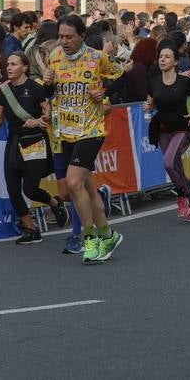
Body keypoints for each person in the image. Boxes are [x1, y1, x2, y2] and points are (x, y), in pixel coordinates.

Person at [44, 14, 124, 264]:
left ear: (81, 36)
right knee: (88, 190)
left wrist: (105, 91)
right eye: (61, 36)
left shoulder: (97, 58)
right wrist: (47, 84)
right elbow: (50, 93)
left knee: (73, 183)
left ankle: (89, 240)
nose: (64, 41)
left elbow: (123, 75)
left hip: (91, 130)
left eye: (69, 36)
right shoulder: (54, 57)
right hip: (65, 131)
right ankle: (108, 235)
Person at [0, 52, 68, 244]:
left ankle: (54, 203)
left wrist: (39, 120)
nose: (9, 67)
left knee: (30, 188)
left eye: (14, 64)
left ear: (24, 67)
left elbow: (47, 112)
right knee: (13, 188)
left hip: (35, 141)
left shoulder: (35, 87)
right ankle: (31, 230)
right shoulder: (4, 91)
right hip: (14, 141)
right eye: (8, 64)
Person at [146, 41, 190, 222]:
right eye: (161, 56)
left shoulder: (184, 81)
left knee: (169, 163)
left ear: (176, 62)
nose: (163, 59)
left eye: (167, 56)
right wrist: (147, 106)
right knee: (175, 166)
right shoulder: (154, 82)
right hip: (163, 130)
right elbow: (150, 103)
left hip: (182, 128)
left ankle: (181, 197)